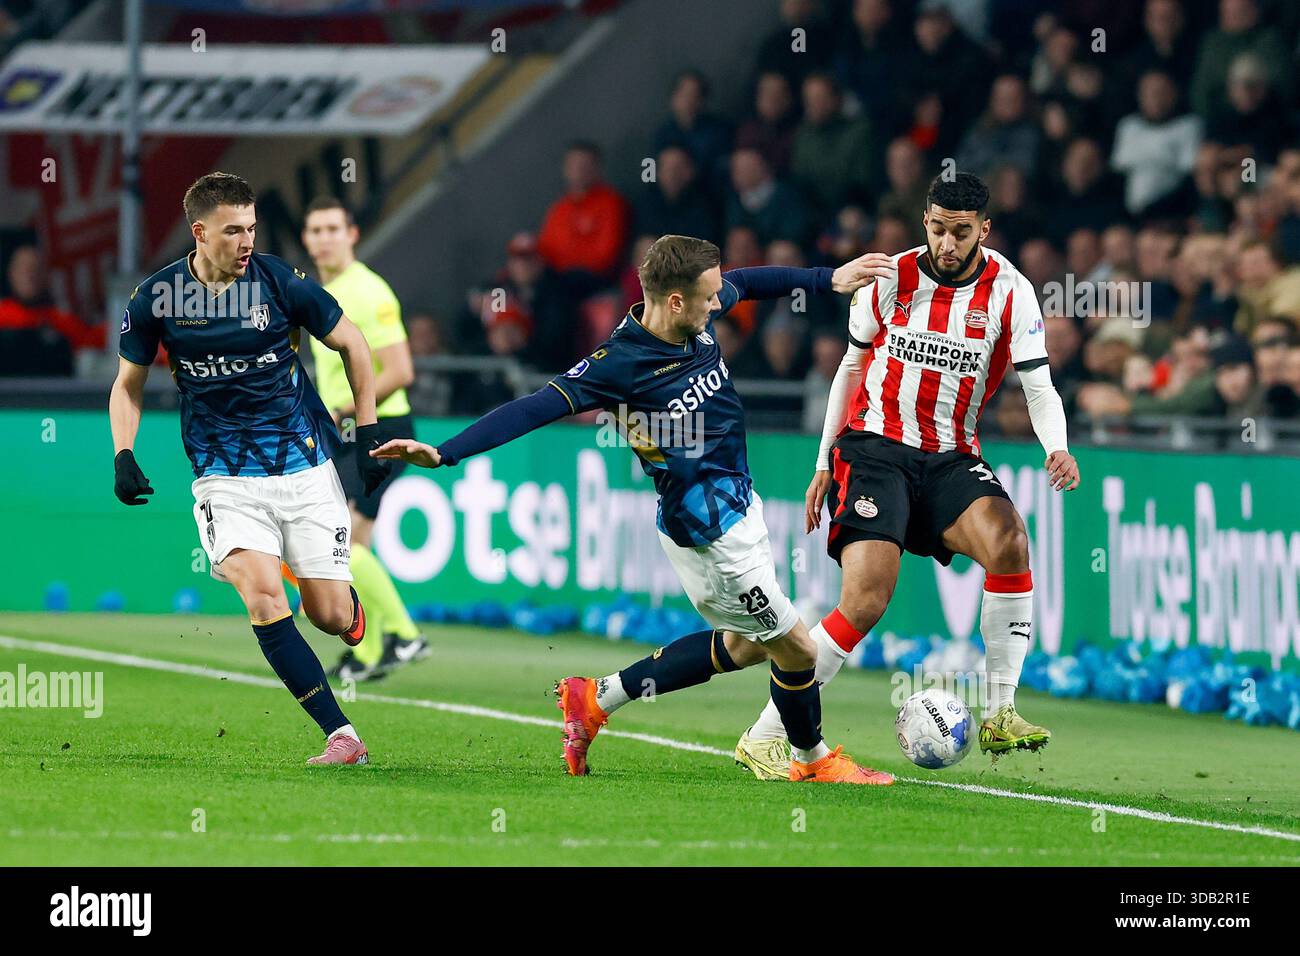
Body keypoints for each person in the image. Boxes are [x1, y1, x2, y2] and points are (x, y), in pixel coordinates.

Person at [372, 234, 898, 784]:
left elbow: (752, 281)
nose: (721, 302)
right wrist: (446, 452)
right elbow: (533, 408)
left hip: (737, 507)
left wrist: (826, 279)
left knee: (747, 644)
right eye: (710, 295)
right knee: (796, 650)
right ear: (675, 301)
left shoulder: (697, 310)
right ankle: (811, 762)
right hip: (710, 532)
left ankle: (597, 698)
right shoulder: (618, 364)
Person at [734, 173, 1081, 780]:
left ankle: (1001, 712)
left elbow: (1038, 384)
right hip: (874, 450)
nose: (948, 243)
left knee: (1010, 543)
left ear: (984, 230)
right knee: (865, 600)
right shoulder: (889, 278)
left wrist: (1059, 447)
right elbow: (850, 367)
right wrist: (823, 463)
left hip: (950, 455)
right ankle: (766, 735)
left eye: (962, 232)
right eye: (939, 229)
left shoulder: (1012, 291)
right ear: (926, 222)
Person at [108, 172, 391, 766]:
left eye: (252, 228)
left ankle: (347, 608)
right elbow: (127, 386)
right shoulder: (157, 299)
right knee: (263, 595)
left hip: (305, 467)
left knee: (329, 614)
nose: (246, 241)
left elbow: (356, 345)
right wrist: (124, 453)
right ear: (200, 232)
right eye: (233, 230)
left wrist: (367, 434)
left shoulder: (279, 281)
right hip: (224, 476)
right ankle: (342, 735)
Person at [299, 196, 429, 681]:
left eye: (333, 228)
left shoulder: (369, 291)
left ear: (352, 234)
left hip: (382, 430)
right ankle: (369, 654)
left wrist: (339, 410)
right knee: (356, 543)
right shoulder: (320, 290)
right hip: (353, 431)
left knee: (344, 540)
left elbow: (400, 371)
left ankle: (405, 633)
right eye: (315, 230)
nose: (324, 238)